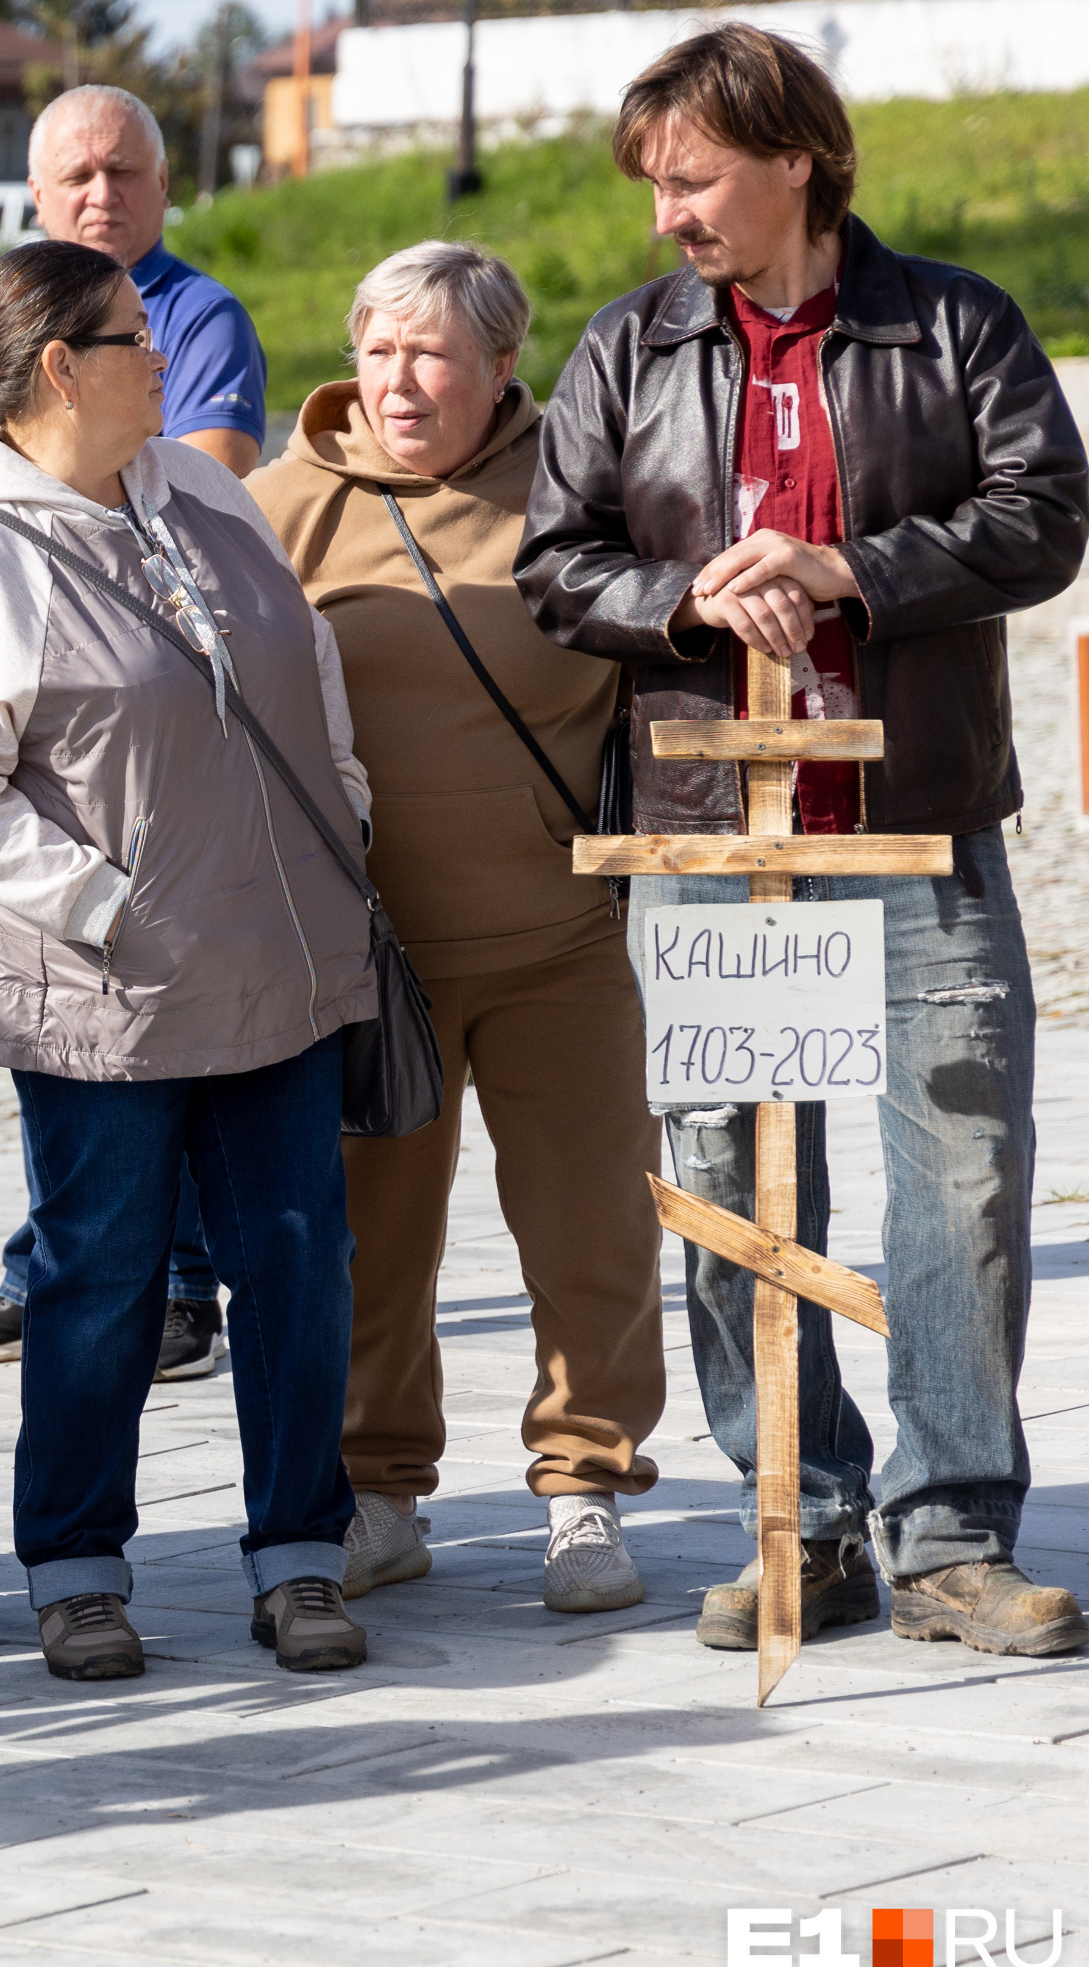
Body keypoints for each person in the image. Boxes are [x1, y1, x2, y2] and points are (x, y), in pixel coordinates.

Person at [521, 24, 1089, 1657]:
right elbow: (554, 566)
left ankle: (952, 1535)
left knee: (962, 1183)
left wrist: (850, 570)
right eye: (654, 186)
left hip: (919, 826)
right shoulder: (629, 348)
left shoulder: (956, 321)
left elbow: (1044, 513)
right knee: (726, 1183)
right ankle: (803, 1518)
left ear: (796, 160)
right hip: (710, 842)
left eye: (691, 181)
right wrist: (687, 590)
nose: (666, 218)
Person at [0, 239, 376, 1682]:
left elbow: (308, 664)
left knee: (297, 1266)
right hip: (102, 986)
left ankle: (300, 1554)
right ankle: (78, 1567)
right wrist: (109, 906)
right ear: (58, 369)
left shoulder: (207, 489)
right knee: (100, 1276)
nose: (166, 358)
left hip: (274, 961)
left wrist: (343, 806)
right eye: (134, 339)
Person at [248, 242, 663, 1614]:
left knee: (590, 1227)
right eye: (378, 349)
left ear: (499, 366)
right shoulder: (280, 508)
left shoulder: (581, 490)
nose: (400, 380)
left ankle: (587, 1489)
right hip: (374, 963)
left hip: (560, 942)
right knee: (370, 1241)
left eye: (432, 354)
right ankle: (378, 1493)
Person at [0, 83, 271, 1379]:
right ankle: (52, 1266)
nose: (100, 195)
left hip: (168, 707)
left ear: (163, 190)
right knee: (56, 1009)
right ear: (37, 192)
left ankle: (176, 1288)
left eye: (123, 173)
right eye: (75, 177)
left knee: (162, 1008)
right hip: (39, 704)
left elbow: (209, 469)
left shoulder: (198, 315)